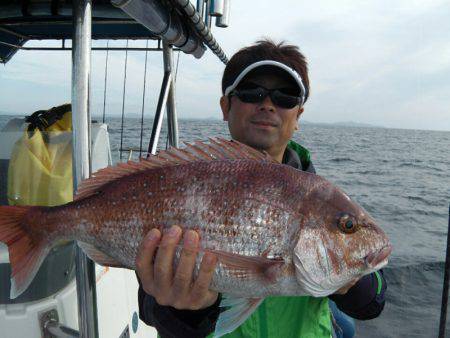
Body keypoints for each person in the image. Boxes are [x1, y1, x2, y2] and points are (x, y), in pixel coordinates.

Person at [135, 39, 387, 338]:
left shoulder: (324, 202)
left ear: (298, 117)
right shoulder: (179, 186)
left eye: (285, 96)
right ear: (225, 107)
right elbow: (151, 310)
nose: (268, 104)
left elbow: (373, 304)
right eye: (251, 92)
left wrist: (351, 281)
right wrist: (189, 310)